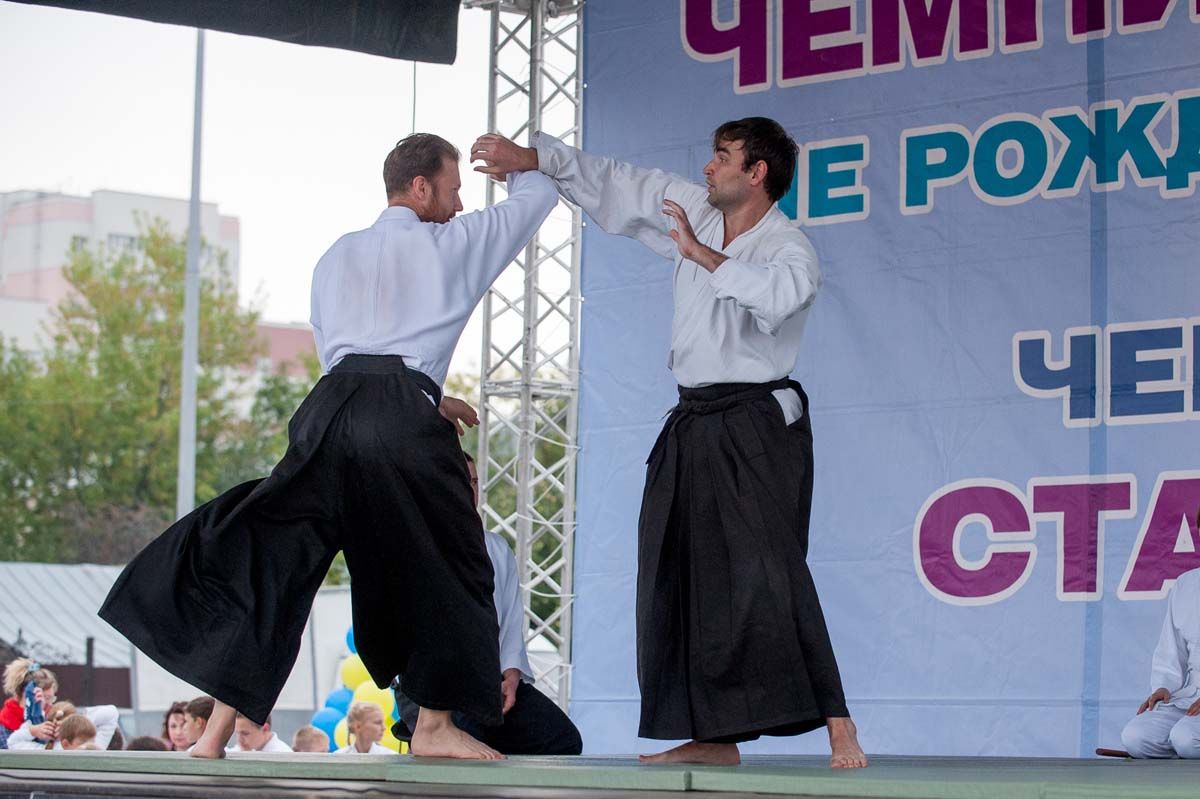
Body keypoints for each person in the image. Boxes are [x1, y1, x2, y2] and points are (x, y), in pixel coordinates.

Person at [99, 132, 557, 761]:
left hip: (328, 410)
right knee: (451, 561)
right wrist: (518, 165)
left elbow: (346, 358)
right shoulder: (454, 242)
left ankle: (212, 735)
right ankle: (433, 724)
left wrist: (426, 399)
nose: (458, 205)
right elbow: (537, 200)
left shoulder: (336, 254)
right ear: (420, 187)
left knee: (274, 560)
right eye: (453, 190)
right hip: (398, 410)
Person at [472, 119, 867, 768]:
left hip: (757, 420)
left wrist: (702, 255)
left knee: (771, 572)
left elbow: (779, 299)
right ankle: (713, 736)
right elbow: (620, 184)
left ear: (757, 173)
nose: (709, 167)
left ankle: (838, 722)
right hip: (693, 416)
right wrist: (536, 157)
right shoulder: (695, 210)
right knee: (677, 570)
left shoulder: (788, 246)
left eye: (723, 157)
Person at [392, 450, 583, 755]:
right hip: (431, 688)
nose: (469, 489)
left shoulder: (496, 547)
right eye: (460, 480)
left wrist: (511, 673)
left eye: (474, 481)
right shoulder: (415, 543)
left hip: (488, 683)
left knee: (562, 739)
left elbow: (510, 623)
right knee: (467, 741)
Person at [1120, 562, 1200, 758]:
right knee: (1136, 737)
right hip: (1190, 697)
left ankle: (1183, 749)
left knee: (1187, 739)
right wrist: (1164, 686)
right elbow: (1171, 647)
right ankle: (1181, 751)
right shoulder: (1187, 583)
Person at [1, 659, 57, 748]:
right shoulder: (4, 728)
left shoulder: (53, 722)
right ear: (26, 695)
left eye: (50, 698)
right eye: (44, 698)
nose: (49, 705)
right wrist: (34, 727)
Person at [228, 713, 292, 753]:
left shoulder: (283, 755)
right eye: (237, 733)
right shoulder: (240, 750)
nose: (239, 740)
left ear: (265, 729)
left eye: (245, 733)